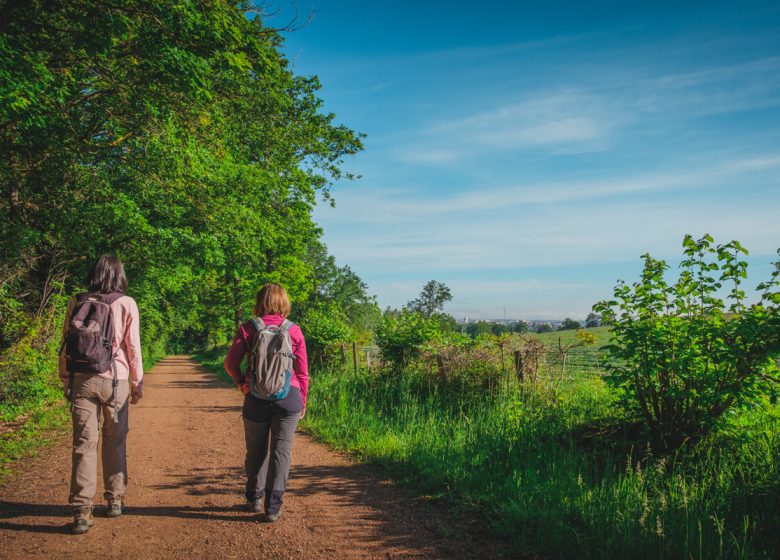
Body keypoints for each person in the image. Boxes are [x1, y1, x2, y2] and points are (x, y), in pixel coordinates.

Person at [59, 255, 144, 534]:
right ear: (119, 275)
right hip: (115, 381)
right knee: (115, 441)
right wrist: (137, 382)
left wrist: (65, 379)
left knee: (83, 444)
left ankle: (81, 511)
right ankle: (115, 499)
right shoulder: (126, 302)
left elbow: (65, 345)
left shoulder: (76, 300)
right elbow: (133, 347)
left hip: (82, 380)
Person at [223, 283, 309, 522]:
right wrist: (302, 401)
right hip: (288, 398)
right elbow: (302, 373)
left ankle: (254, 498)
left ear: (259, 302)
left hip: (255, 398)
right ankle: (272, 508)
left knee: (256, 450)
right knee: (281, 452)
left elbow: (230, 364)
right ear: (284, 303)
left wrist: (242, 383)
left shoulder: (249, 328)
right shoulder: (294, 331)